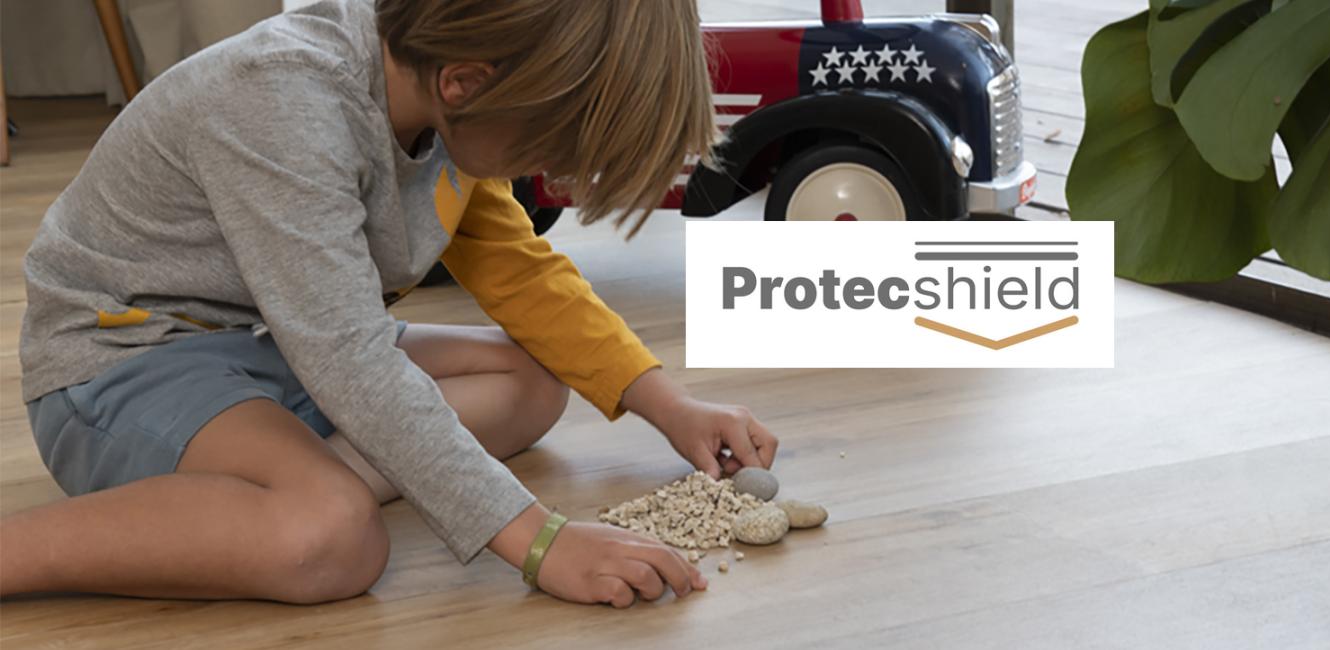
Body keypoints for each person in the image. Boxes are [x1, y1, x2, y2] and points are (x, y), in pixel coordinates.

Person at [0, 0, 775, 609]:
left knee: (536, 381)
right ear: (465, 82)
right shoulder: (282, 101)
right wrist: (539, 541)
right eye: (549, 145)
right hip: (120, 364)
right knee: (334, 537)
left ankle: (272, 478)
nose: (553, 173)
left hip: (268, 343)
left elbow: (522, 275)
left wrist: (667, 403)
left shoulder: (447, 94)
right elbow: (348, 356)